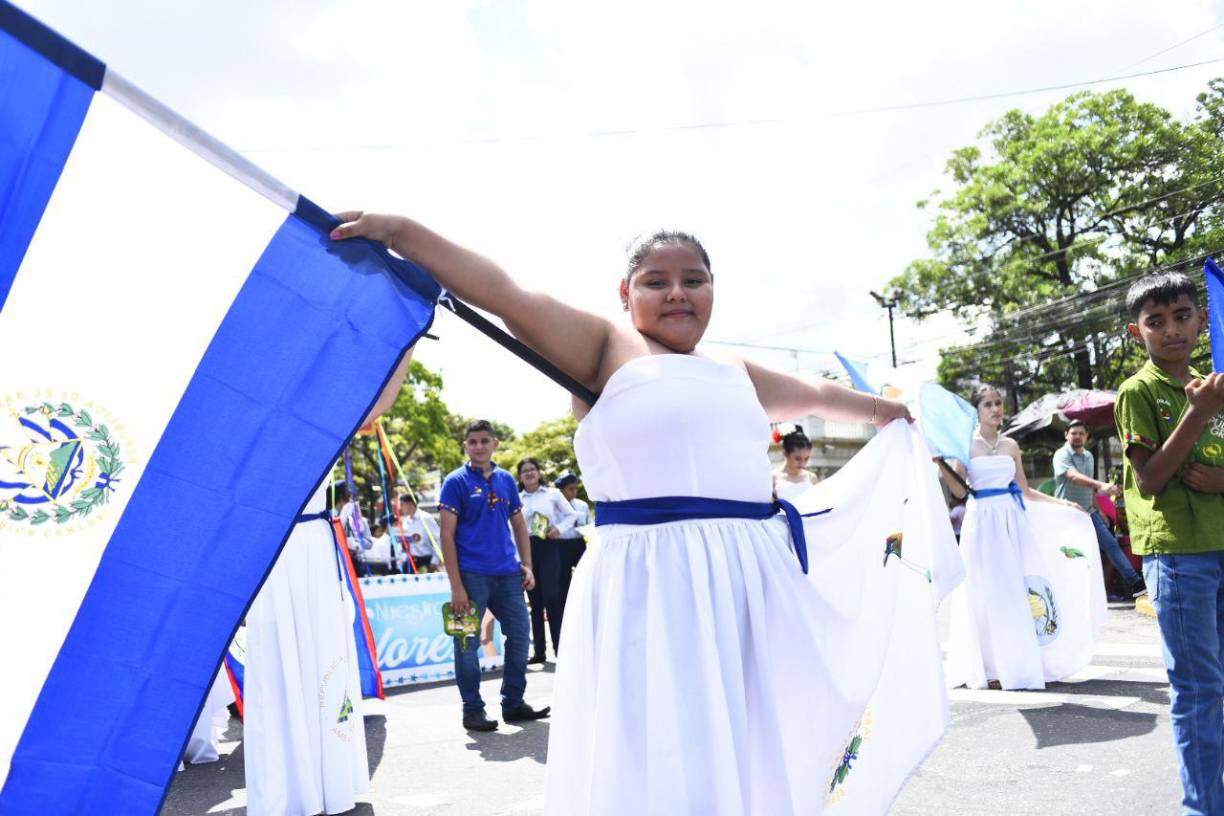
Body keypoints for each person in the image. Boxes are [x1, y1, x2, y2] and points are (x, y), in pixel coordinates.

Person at [331, 213, 953, 814]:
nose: (678, 293)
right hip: (653, 583)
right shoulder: (605, 346)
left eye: (694, 280)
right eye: (657, 282)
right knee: (668, 745)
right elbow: (505, 294)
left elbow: (817, 394)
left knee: (756, 737)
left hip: (754, 582)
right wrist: (402, 233)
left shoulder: (733, 368)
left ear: (713, 288)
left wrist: (883, 412)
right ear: (626, 292)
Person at [243, 349, 414, 816]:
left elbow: (377, 405)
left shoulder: (324, 414)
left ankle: (328, 780)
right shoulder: (245, 415)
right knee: (280, 660)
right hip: (271, 548)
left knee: (323, 661)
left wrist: (409, 343)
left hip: (316, 548)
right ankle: (286, 787)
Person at [1115, 272, 1224, 815]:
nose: (1172, 330)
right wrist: (1197, 412)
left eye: (1182, 315)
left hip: (1221, 543)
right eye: (1155, 322)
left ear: (1202, 321)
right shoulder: (1138, 391)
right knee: (1200, 690)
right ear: (1139, 334)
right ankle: (1202, 807)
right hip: (1179, 556)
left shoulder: (1216, 382)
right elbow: (1151, 479)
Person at [942, 384, 1106, 691]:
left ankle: (1017, 662)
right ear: (977, 410)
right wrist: (941, 463)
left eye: (998, 403)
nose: (995, 409)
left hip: (1011, 519)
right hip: (980, 521)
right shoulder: (963, 445)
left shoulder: (1011, 445)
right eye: (988, 404)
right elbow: (959, 492)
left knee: (1017, 590)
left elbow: (1027, 491)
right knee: (983, 592)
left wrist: (1065, 504)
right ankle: (989, 666)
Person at [438, 420, 549, 732]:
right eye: (472, 441)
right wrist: (456, 587)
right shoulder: (454, 482)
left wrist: (526, 566)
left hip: (508, 575)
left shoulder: (506, 479)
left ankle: (513, 704)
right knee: (466, 644)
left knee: (520, 637)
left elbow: (520, 525)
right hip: (470, 576)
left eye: (484, 440)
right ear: (465, 446)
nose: (479, 446)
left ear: (495, 444)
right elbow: (447, 535)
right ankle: (472, 710)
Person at [1053, 419, 1146, 598]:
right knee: (1071, 553)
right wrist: (1102, 485)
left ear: (1087, 436)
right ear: (1066, 435)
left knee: (1111, 545)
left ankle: (1135, 582)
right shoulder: (1061, 454)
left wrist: (1100, 510)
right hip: (1067, 513)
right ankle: (1067, 591)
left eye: (1081, 433)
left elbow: (1088, 487)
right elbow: (1073, 477)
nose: (1077, 436)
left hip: (1089, 511)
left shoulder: (1088, 456)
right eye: (1073, 433)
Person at [517, 457, 579, 663]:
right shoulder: (517, 499)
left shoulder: (552, 494)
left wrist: (558, 529)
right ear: (520, 476)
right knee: (534, 602)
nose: (529, 473)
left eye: (532, 469)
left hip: (550, 546)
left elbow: (572, 515)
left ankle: (561, 648)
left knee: (552, 597)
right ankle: (539, 652)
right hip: (528, 549)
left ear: (539, 472)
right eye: (524, 471)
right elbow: (511, 528)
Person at [554, 471, 589, 611]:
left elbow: (588, 522)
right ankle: (566, 609)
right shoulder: (554, 506)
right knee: (563, 580)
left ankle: (584, 605)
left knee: (585, 576)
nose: (574, 492)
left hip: (579, 543)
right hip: (561, 545)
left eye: (576, 488)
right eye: (570, 489)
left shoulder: (582, 505)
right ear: (562, 490)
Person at [772, 425, 820, 501]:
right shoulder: (773, 477)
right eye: (798, 459)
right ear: (786, 453)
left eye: (806, 459)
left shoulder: (812, 477)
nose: (803, 463)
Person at [396, 493, 440, 573]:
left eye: (402, 505)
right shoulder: (406, 521)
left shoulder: (426, 518)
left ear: (410, 504)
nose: (400, 508)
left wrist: (435, 561)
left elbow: (439, 539)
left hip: (426, 560)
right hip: (411, 561)